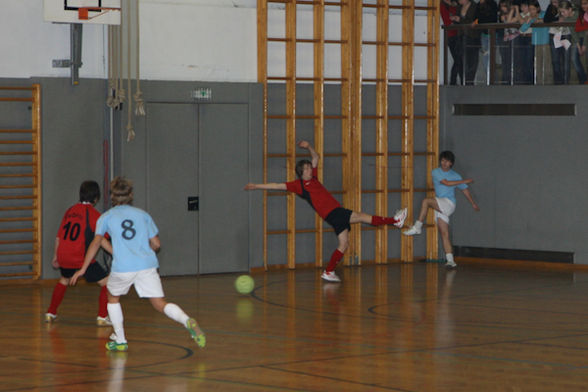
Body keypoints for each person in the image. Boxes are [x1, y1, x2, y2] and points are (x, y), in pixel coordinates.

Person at [70, 177, 206, 352]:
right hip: (147, 265)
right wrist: (143, 250)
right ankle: (187, 320)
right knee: (159, 303)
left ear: (112, 196)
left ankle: (120, 340)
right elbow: (156, 244)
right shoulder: (143, 215)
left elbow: (96, 243)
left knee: (112, 297)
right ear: (131, 195)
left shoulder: (106, 217)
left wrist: (82, 269)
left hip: (123, 266)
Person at [244, 140, 408, 283]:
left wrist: (309, 146)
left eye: (310, 168)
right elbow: (277, 185)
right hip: (333, 213)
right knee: (361, 217)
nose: (310, 169)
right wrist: (257, 186)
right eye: (307, 168)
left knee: (344, 244)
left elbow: (316, 157)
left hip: (333, 214)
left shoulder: (314, 179)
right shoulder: (299, 186)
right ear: (302, 173)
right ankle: (395, 221)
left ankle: (329, 271)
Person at [45, 180, 111, 326]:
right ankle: (102, 316)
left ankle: (50, 312)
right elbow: (101, 240)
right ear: (96, 198)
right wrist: (116, 253)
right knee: (107, 283)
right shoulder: (94, 214)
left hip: (64, 254)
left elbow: (59, 236)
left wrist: (56, 255)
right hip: (79, 256)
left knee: (64, 280)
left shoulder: (70, 210)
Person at [403, 151, 479, 269]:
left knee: (426, 201)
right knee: (444, 233)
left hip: (449, 203)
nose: (444, 163)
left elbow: (465, 190)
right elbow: (446, 183)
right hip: (440, 203)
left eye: (447, 161)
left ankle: (417, 227)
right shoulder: (435, 172)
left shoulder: (456, 175)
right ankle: (450, 260)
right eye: (443, 160)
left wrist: (473, 203)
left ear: (451, 163)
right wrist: (465, 181)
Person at [441, 0, 463, 85]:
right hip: (452, 35)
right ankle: (454, 81)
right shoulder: (443, 5)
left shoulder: (455, 4)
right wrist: (456, 20)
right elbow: (448, 21)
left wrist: (456, 19)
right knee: (458, 59)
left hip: (459, 33)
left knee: (459, 59)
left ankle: (459, 81)